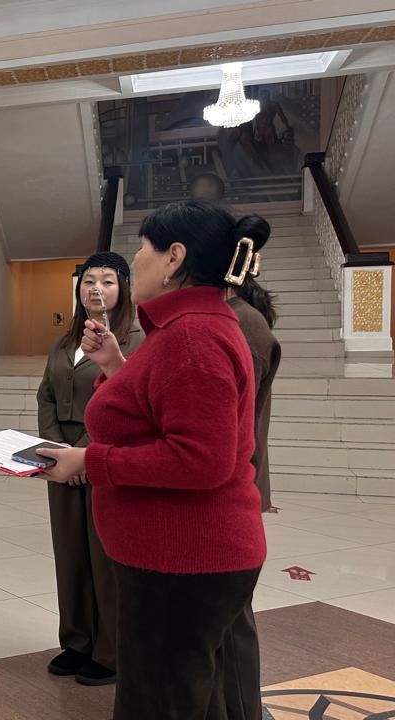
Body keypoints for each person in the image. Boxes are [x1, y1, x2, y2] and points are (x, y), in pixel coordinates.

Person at [36, 201, 269, 719]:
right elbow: (165, 413)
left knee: (160, 702)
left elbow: (201, 459)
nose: (136, 259)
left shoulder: (193, 335)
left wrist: (91, 462)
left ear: (173, 258)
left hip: (182, 558)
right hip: (177, 555)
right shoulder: (189, 326)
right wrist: (116, 364)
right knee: (189, 697)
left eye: (143, 248)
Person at [36, 252, 141, 686]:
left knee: (104, 558)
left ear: (124, 288)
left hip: (103, 455)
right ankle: (76, 641)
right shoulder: (64, 342)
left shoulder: (135, 340)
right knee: (70, 553)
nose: (96, 288)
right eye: (88, 281)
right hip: (59, 457)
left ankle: (110, 651)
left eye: (108, 281)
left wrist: (83, 452)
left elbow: (128, 401)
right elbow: (45, 394)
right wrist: (56, 447)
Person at [223, 235, 280, 716]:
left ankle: (243, 710)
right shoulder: (228, 317)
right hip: (231, 479)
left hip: (230, 484)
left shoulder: (240, 322)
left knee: (229, 616)